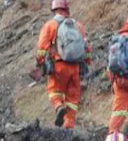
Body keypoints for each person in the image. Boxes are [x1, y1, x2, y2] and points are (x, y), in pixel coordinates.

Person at [36, 0, 92, 129]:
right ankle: (69, 125)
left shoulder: (50, 25)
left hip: (58, 66)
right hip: (75, 68)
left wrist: (40, 62)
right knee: (73, 98)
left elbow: (41, 47)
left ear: (54, 10)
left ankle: (59, 107)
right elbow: (87, 47)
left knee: (53, 91)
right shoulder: (78, 26)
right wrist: (88, 62)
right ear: (67, 10)